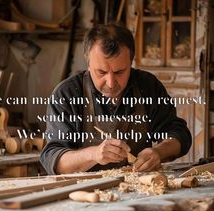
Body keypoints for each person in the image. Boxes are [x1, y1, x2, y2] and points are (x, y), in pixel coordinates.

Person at [40, 23, 192, 174]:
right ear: (88, 63)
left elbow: (179, 135)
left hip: (139, 190)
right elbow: (53, 159)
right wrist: (94, 154)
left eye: (119, 72)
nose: (111, 83)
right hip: (85, 193)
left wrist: (159, 152)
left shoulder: (147, 86)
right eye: (101, 72)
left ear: (130, 62)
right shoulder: (68, 94)